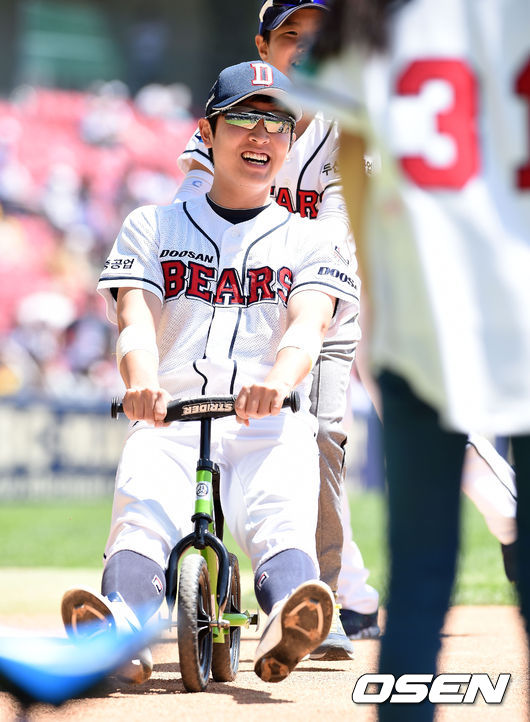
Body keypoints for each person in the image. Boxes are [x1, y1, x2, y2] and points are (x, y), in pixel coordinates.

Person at [173, 0, 519, 656]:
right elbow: (193, 204)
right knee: (301, 438)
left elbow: (339, 241)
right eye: (290, 34)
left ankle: (506, 522)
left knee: (372, 425)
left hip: (367, 287)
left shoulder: (348, 119)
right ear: (262, 46)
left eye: (320, 33)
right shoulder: (236, 111)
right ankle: (349, 595)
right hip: (268, 296)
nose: (306, 47)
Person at [60, 60, 362, 686]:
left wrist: (279, 382)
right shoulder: (152, 225)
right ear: (208, 130)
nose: (261, 136)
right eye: (244, 119)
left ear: (291, 139)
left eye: (277, 124)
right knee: (142, 519)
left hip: (267, 417)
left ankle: (288, 616)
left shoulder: (312, 239)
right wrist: (140, 383)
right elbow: (135, 321)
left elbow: (309, 325)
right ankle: (120, 628)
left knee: (280, 518)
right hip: (169, 414)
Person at [302, 0, 530, 718]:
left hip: (418, 307)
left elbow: (353, 157)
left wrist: (375, 289)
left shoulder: (372, 17)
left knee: (421, 574)